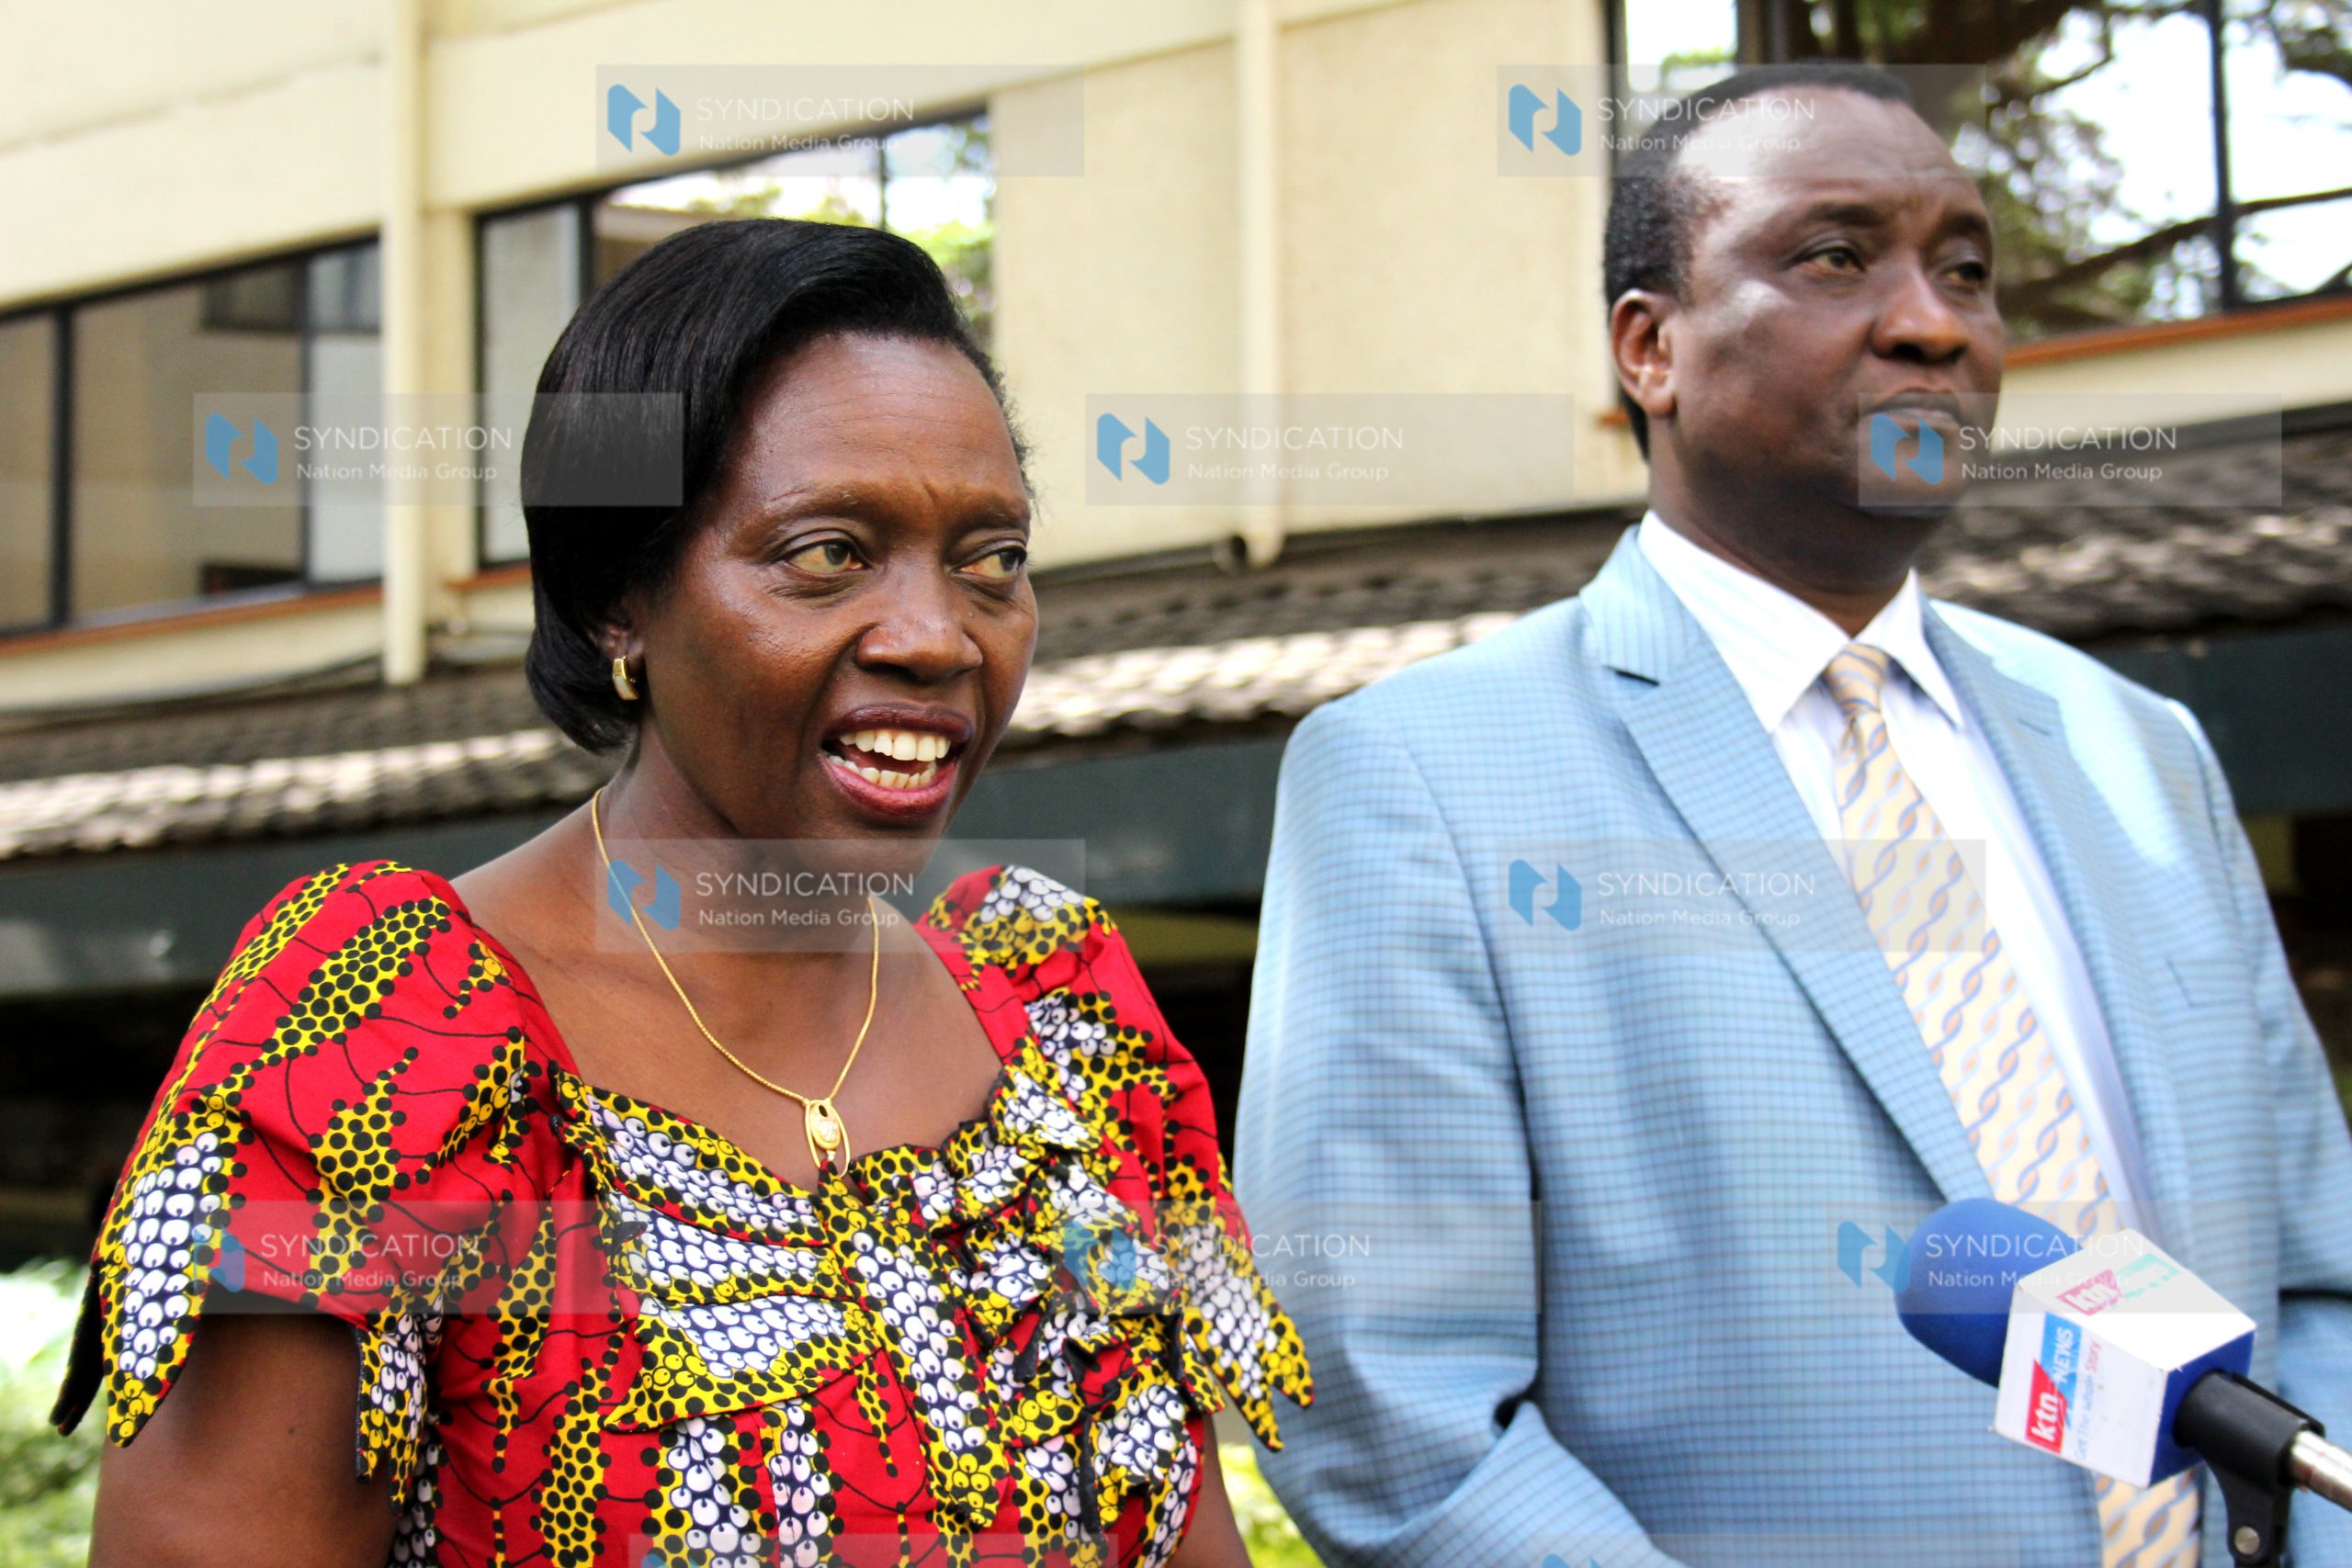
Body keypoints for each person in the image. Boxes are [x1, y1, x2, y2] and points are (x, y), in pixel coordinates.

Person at [52, 218, 1309, 1567]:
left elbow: (1187, 1534)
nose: (937, 636)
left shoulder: (1069, 1040)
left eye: (989, 558)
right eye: (828, 553)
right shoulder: (381, 1036)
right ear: (620, 603)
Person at [1236, 61, 2352, 1568]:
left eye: (1968, 269)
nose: (1933, 321)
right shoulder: (1426, 776)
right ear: (1652, 346)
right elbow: (1393, 1418)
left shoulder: (2138, 748)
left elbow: (2314, 1280)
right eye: (1835, 257)